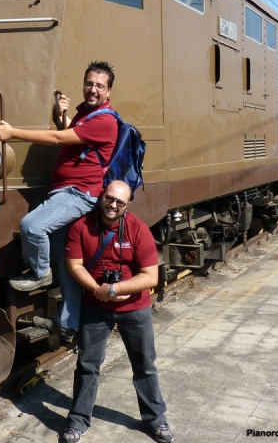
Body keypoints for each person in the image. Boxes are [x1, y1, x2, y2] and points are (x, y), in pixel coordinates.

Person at [0, 61, 118, 341]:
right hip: (66, 192)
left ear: (108, 91)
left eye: (99, 85)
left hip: (78, 193)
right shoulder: (86, 115)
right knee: (67, 265)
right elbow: (69, 137)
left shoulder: (104, 120)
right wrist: (62, 116)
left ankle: (40, 273)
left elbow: (56, 139)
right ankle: (67, 325)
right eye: (89, 83)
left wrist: (13, 133)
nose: (92, 89)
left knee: (33, 226)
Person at [60, 180, 173, 443]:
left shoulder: (137, 228)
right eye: (109, 198)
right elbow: (74, 266)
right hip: (96, 308)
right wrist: (99, 289)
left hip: (134, 308)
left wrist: (115, 289)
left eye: (120, 202)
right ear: (102, 196)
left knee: (144, 365)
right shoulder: (81, 226)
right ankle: (77, 421)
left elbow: (151, 277)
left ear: (127, 204)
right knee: (87, 365)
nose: (113, 205)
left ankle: (156, 420)